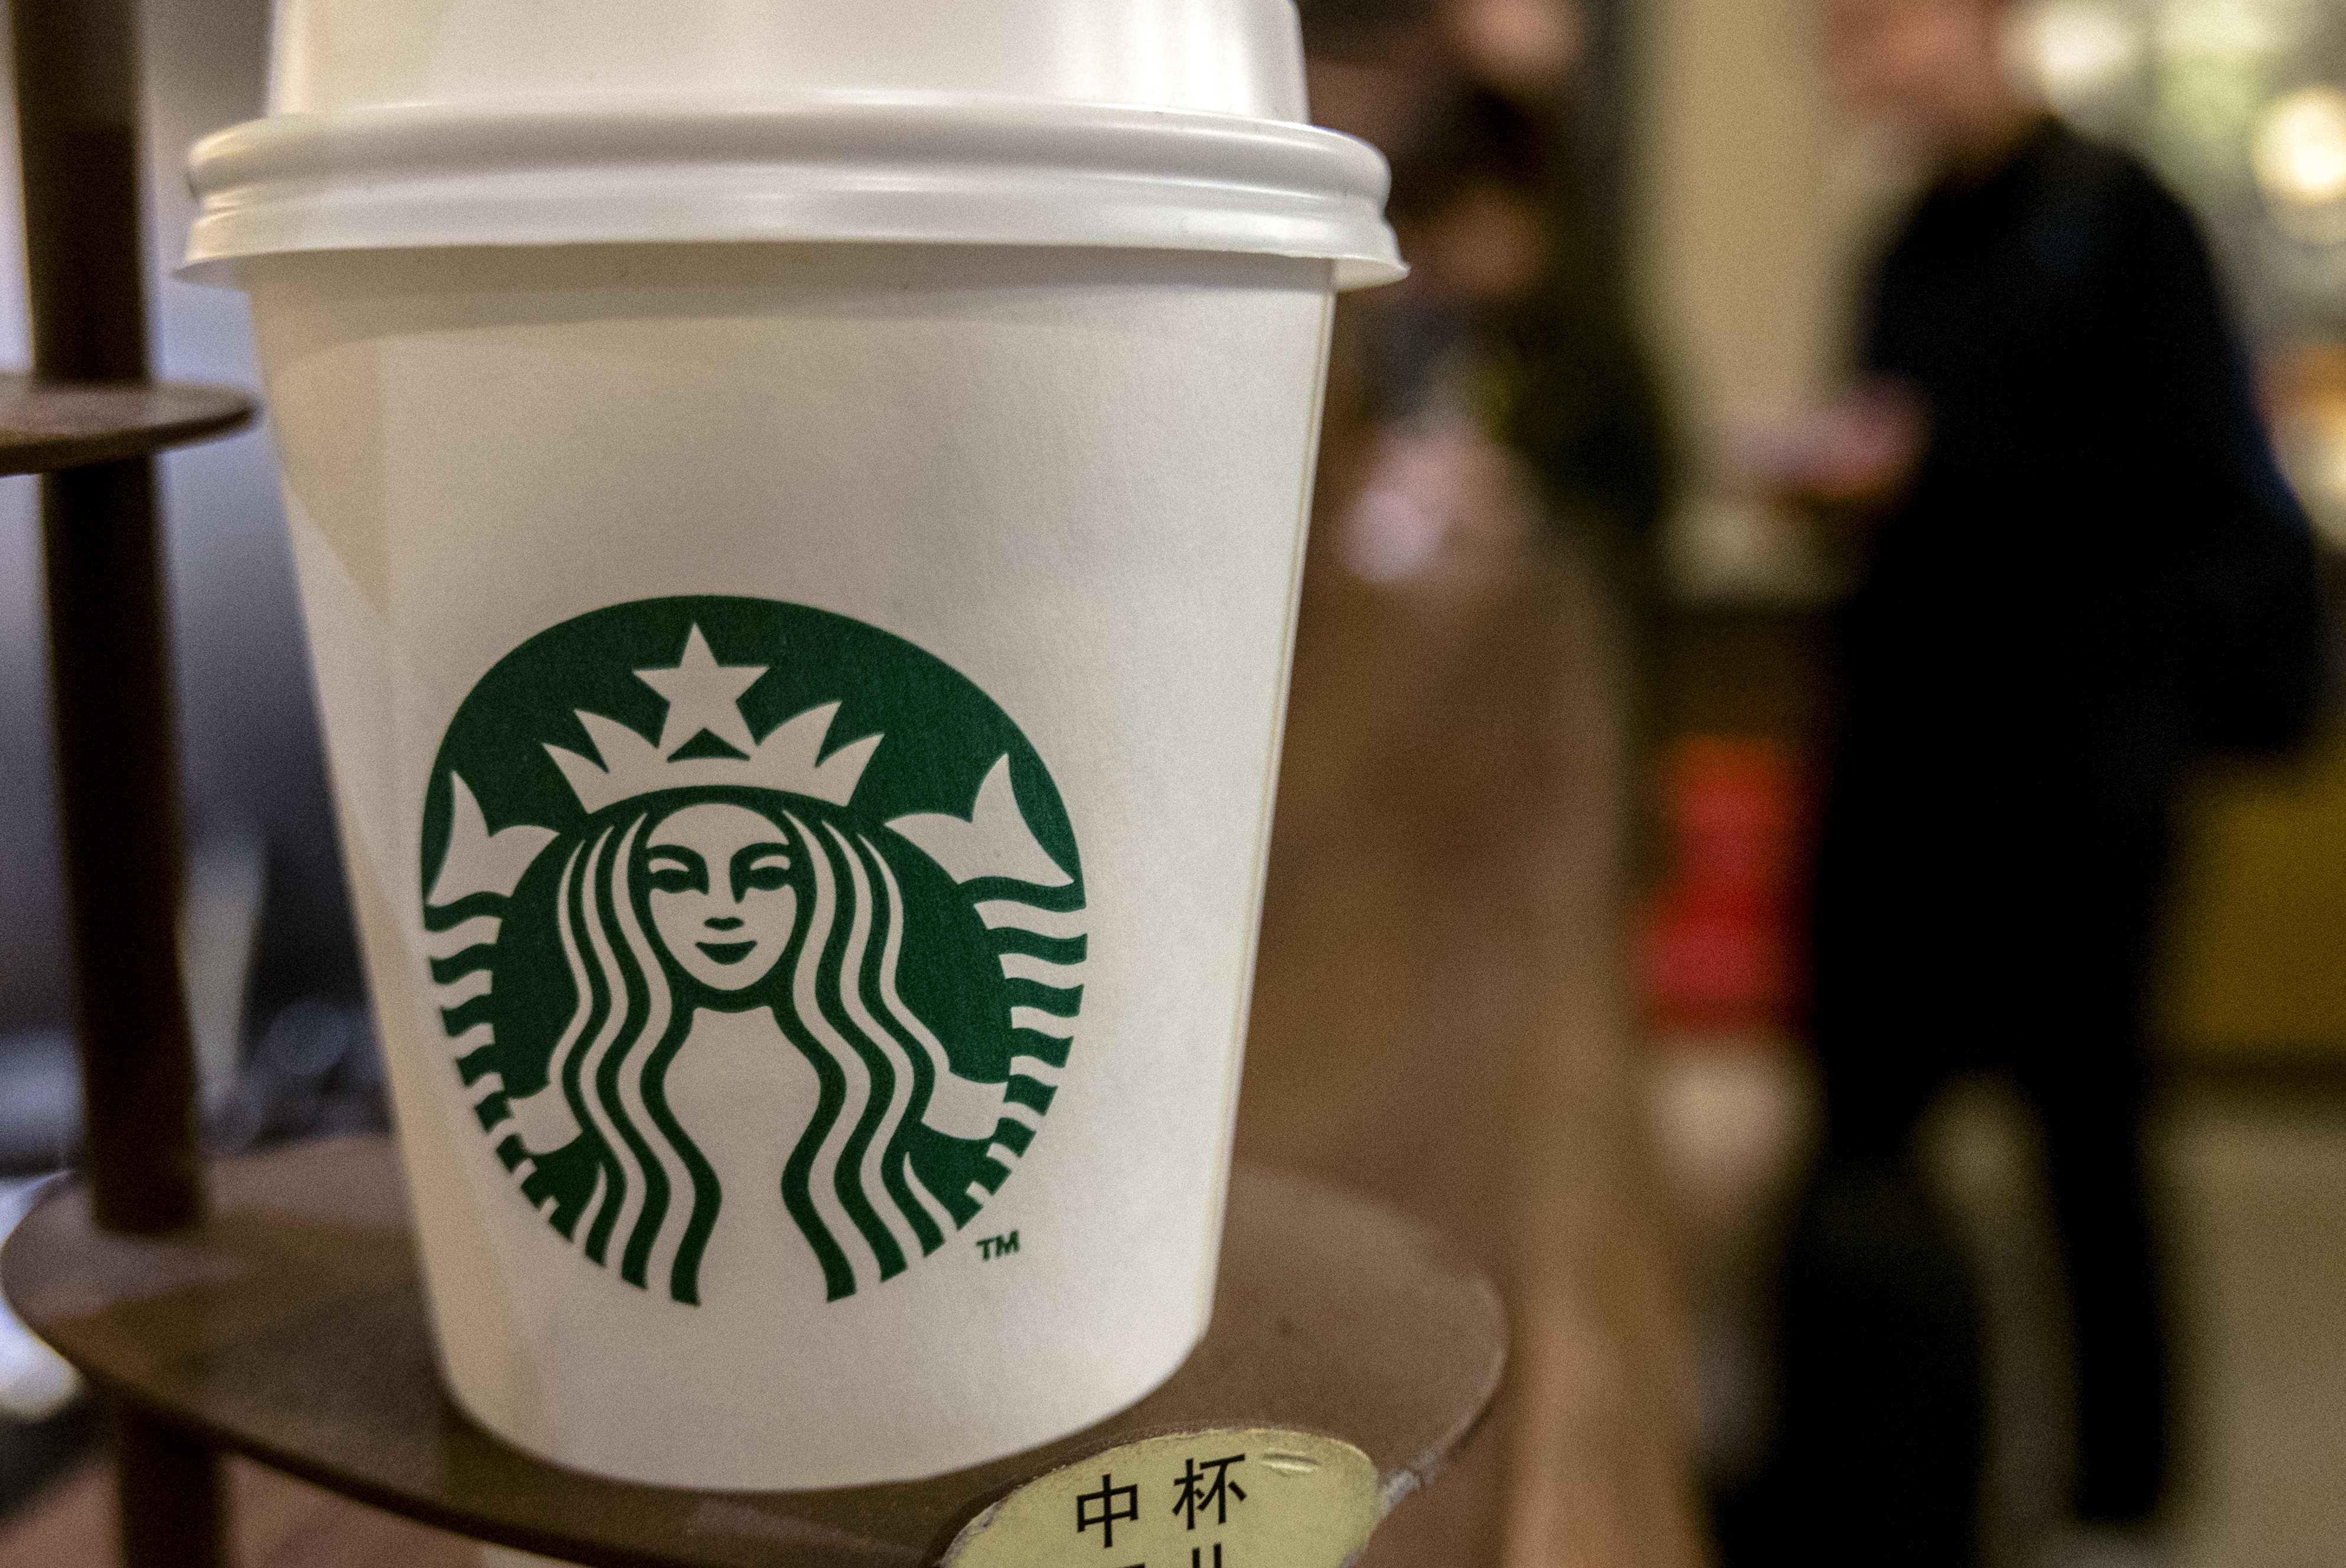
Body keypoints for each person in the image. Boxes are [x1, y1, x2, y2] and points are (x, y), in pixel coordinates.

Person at [1723, 0, 2322, 1563]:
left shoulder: (2125, 224)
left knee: (2087, 1128)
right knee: (1864, 1115)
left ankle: (2121, 1489)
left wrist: (1939, 470)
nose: (1850, 62)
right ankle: (1860, 1470)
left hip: (2080, 769)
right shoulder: (1913, 234)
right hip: (1915, 750)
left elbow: (2184, 484)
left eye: (1873, 25)